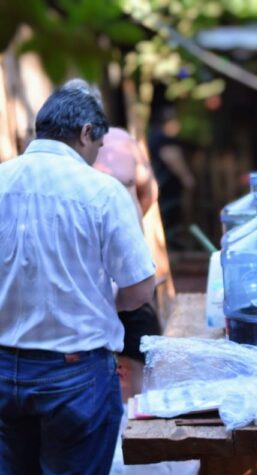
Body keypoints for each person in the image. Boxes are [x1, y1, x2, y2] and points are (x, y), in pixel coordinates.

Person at [0, 85, 156, 475]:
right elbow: (139, 290)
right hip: (75, 375)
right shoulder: (101, 191)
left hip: (5, 370)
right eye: (97, 145)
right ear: (86, 132)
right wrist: (97, 305)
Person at [94, 127, 162, 401]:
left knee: (140, 343)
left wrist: (128, 230)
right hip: (91, 273)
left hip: (129, 267)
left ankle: (139, 421)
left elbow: (149, 191)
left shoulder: (122, 141)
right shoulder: (61, 159)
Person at [148, 105, 195, 245]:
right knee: (170, 221)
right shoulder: (164, 139)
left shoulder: (153, 137)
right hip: (166, 188)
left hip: (160, 187)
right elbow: (172, 158)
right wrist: (187, 178)